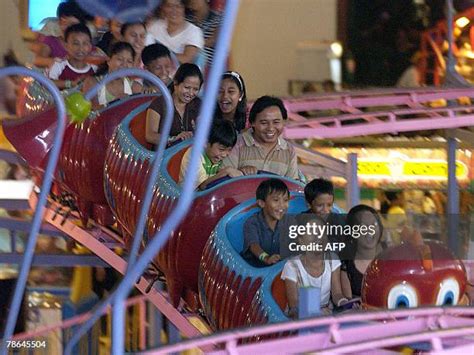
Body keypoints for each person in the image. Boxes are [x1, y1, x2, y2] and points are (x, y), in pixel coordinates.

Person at [281, 214, 347, 318]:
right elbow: (293, 304)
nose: (318, 237)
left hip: (327, 314)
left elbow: (337, 294)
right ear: (301, 241)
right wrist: (315, 313)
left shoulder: (333, 259)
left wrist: (344, 303)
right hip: (300, 317)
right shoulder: (291, 266)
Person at [221, 96, 299, 179]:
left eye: (276, 122)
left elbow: (293, 185)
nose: (271, 128)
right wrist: (241, 173)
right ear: (252, 122)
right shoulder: (236, 143)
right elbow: (224, 178)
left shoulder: (289, 150)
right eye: (264, 123)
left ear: (284, 122)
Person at [145, 63, 203, 146]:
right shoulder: (159, 104)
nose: (191, 93)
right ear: (175, 84)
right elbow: (150, 136)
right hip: (164, 156)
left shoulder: (198, 104)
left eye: (195, 89)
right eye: (187, 87)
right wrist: (173, 139)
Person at [242, 178, 292, 267]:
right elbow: (253, 245)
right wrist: (266, 258)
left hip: (275, 269)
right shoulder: (253, 222)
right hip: (254, 268)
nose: (282, 205)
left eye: (285, 200)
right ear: (261, 203)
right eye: (276, 200)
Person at [178, 119, 241, 189]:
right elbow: (203, 186)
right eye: (221, 149)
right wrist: (226, 171)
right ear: (205, 142)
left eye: (229, 150)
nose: (224, 154)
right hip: (186, 197)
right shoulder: (194, 155)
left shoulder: (216, 156)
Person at [340, 205, 383, 299]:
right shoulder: (346, 266)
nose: (370, 230)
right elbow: (348, 302)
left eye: (374, 225)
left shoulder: (390, 257)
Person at [82, 42, 139, 108]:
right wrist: (115, 102)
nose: (124, 65)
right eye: (120, 59)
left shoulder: (135, 87)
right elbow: (89, 111)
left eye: (129, 61)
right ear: (108, 60)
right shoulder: (93, 82)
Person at [146, 0, 204, 64]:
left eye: (178, 6)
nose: (173, 10)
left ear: (184, 8)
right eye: (169, 6)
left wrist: (157, 55)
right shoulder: (155, 25)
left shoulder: (194, 31)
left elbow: (186, 59)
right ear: (163, 7)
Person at [47, 23, 96, 90]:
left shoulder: (94, 69)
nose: (81, 49)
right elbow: (49, 83)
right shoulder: (59, 65)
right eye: (76, 43)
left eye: (85, 43)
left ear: (90, 46)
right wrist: (71, 83)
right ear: (66, 46)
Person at [186, 0, 222, 68]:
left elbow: (211, 41)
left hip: (208, 68)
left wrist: (191, 45)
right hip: (186, 65)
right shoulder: (186, 19)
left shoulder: (219, 19)